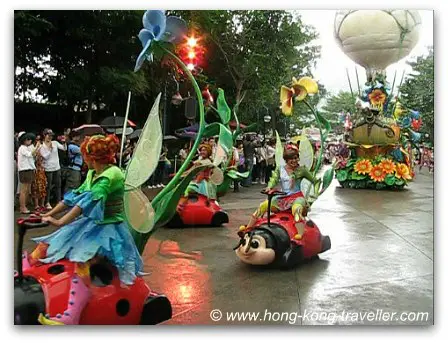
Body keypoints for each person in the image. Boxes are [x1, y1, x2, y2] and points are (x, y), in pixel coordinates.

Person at [28, 134, 144, 325]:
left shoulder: (111, 175)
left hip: (109, 228)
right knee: (48, 243)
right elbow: (73, 198)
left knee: (84, 262)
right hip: (90, 224)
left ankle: (71, 315)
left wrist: (60, 221)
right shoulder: (93, 173)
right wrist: (47, 214)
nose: (83, 160)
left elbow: (87, 202)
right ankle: (23, 275)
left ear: (91, 157)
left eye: (85, 156)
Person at [239, 144, 316, 236]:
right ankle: (248, 228)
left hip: (297, 197)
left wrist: (314, 193)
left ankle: (300, 235)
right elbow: (273, 179)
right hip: (283, 197)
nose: (294, 161)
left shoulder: (302, 170)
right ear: (286, 160)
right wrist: (269, 187)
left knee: (296, 209)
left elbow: (314, 181)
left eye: (296, 158)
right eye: (291, 159)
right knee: (263, 205)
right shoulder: (280, 169)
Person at [177, 143, 216, 210]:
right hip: (197, 181)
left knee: (187, 189)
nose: (202, 152)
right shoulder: (199, 161)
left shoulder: (207, 162)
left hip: (202, 183)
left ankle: (182, 206)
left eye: (205, 150)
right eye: (202, 150)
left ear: (208, 152)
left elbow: (201, 170)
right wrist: (178, 175)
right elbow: (190, 171)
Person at [40, 128, 67, 209]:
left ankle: (58, 201)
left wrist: (64, 142)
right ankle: (47, 202)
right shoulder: (42, 146)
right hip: (48, 168)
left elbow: (64, 148)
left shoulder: (54, 143)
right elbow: (45, 157)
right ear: (44, 135)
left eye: (51, 136)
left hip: (57, 167)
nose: (50, 137)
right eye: (48, 135)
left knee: (58, 184)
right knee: (48, 186)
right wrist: (50, 149)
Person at [17, 132, 38, 214]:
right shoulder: (22, 148)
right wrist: (36, 147)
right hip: (24, 170)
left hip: (28, 169)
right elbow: (30, 154)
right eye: (28, 139)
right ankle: (22, 207)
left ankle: (24, 206)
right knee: (23, 190)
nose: (30, 141)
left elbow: (32, 157)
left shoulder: (26, 147)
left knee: (26, 190)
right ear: (24, 140)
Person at [31, 135, 47, 213]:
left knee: (43, 187)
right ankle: (37, 205)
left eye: (39, 140)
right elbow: (33, 158)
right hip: (36, 170)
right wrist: (36, 149)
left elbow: (44, 158)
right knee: (36, 188)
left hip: (42, 170)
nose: (38, 141)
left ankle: (42, 204)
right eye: (37, 140)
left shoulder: (42, 148)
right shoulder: (33, 149)